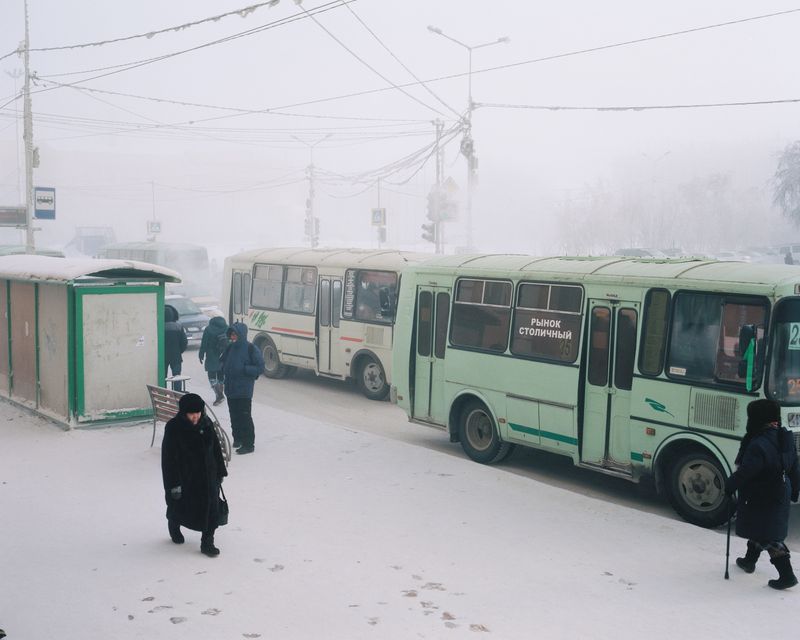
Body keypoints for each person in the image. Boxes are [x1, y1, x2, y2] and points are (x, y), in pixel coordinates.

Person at [725, 399, 800, 589]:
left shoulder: (759, 444)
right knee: (761, 527)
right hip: (780, 490)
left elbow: (747, 470)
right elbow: (794, 465)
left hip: (762, 494)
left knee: (770, 537)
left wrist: (730, 485)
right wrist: (794, 490)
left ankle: (787, 576)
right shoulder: (785, 437)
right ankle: (749, 561)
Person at [161, 393, 228, 557]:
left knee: (211, 509)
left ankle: (207, 542)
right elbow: (168, 460)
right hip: (186, 478)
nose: (195, 416)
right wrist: (173, 484)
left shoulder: (206, 423)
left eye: (198, 412)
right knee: (181, 507)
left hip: (209, 476)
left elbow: (215, 450)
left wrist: (220, 471)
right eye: (191, 413)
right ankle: (174, 524)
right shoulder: (174, 427)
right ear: (184, 413)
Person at [221, 322, 265, 455]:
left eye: (235, 334)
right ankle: (238, 439)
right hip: (230, 388)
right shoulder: (230, 348)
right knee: (234, 416)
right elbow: (223, 361)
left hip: (244, 390)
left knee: (244, 417)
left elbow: (260, 367)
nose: (233, 337)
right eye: (231, 334)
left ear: (241, 334)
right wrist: (223, 368)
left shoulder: (251, 348)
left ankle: (248, 444)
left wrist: (245, 369)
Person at [199, 316, 229, 406]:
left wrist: (201, 354)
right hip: (223, 355)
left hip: (211, 355)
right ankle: (219, 395)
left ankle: (219, 395)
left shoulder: (209, 329)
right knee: (221, 376)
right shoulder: (226, 328)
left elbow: (204, 343)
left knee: (211, 376)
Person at [164, 304, 188, 385]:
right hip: (176, 355)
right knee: (177, 377)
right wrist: (179, 351)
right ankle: (177, 395)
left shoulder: (159, 326)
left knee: (162, 377)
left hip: (162, 356)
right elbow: (184, 342)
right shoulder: (178, 326)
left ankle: (162, 395)